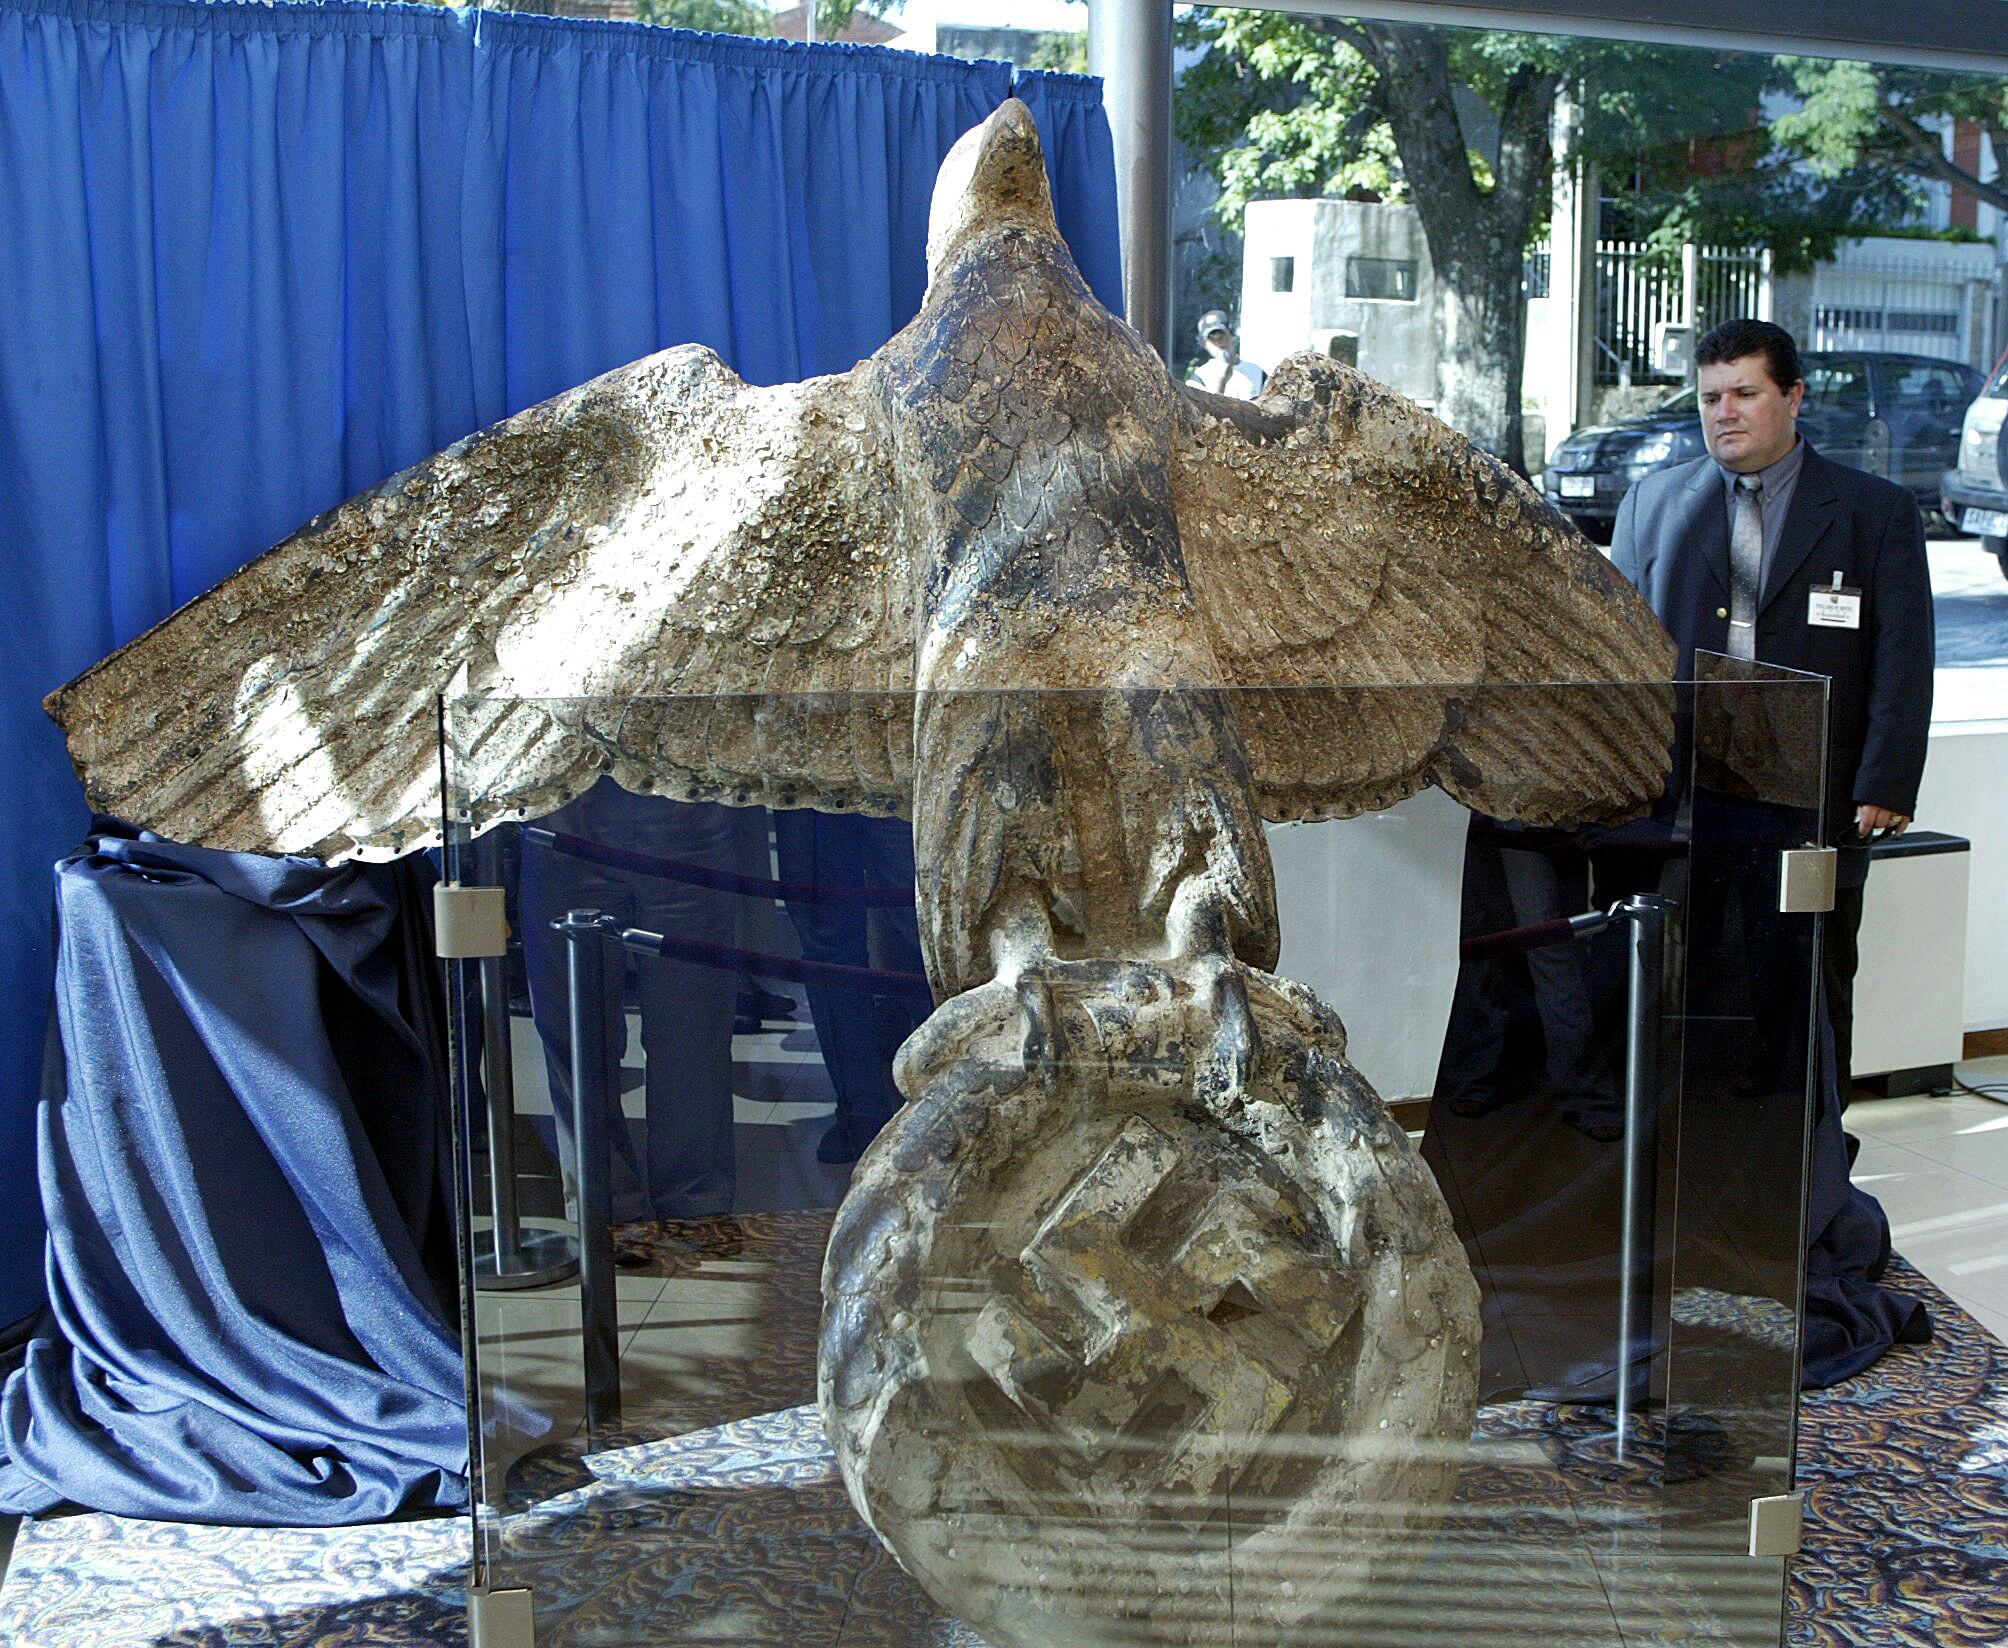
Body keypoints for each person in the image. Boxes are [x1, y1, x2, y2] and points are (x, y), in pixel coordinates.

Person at [1610, 317, 1934, 1097]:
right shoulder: (1654, 504)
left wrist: (1885, 780)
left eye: (1745, 394)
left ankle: (1811, 1163)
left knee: (1810, 987)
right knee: (1687, 986)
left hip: (1815, 799)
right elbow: (1615, 656)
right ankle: (1693, 1158)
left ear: (1793, 396)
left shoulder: (1874, 513)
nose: (1724, 412)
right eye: (1711, 397)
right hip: (1685, 801)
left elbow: (1904, 658)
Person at [1186, 310, 1264, 400]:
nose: (1218, 342)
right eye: (1211, 338)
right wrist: (1221, 384)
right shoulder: (1198, 380)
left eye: (1221, 335)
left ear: (1233, 334)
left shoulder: (1257, 372)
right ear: (1203, 343)